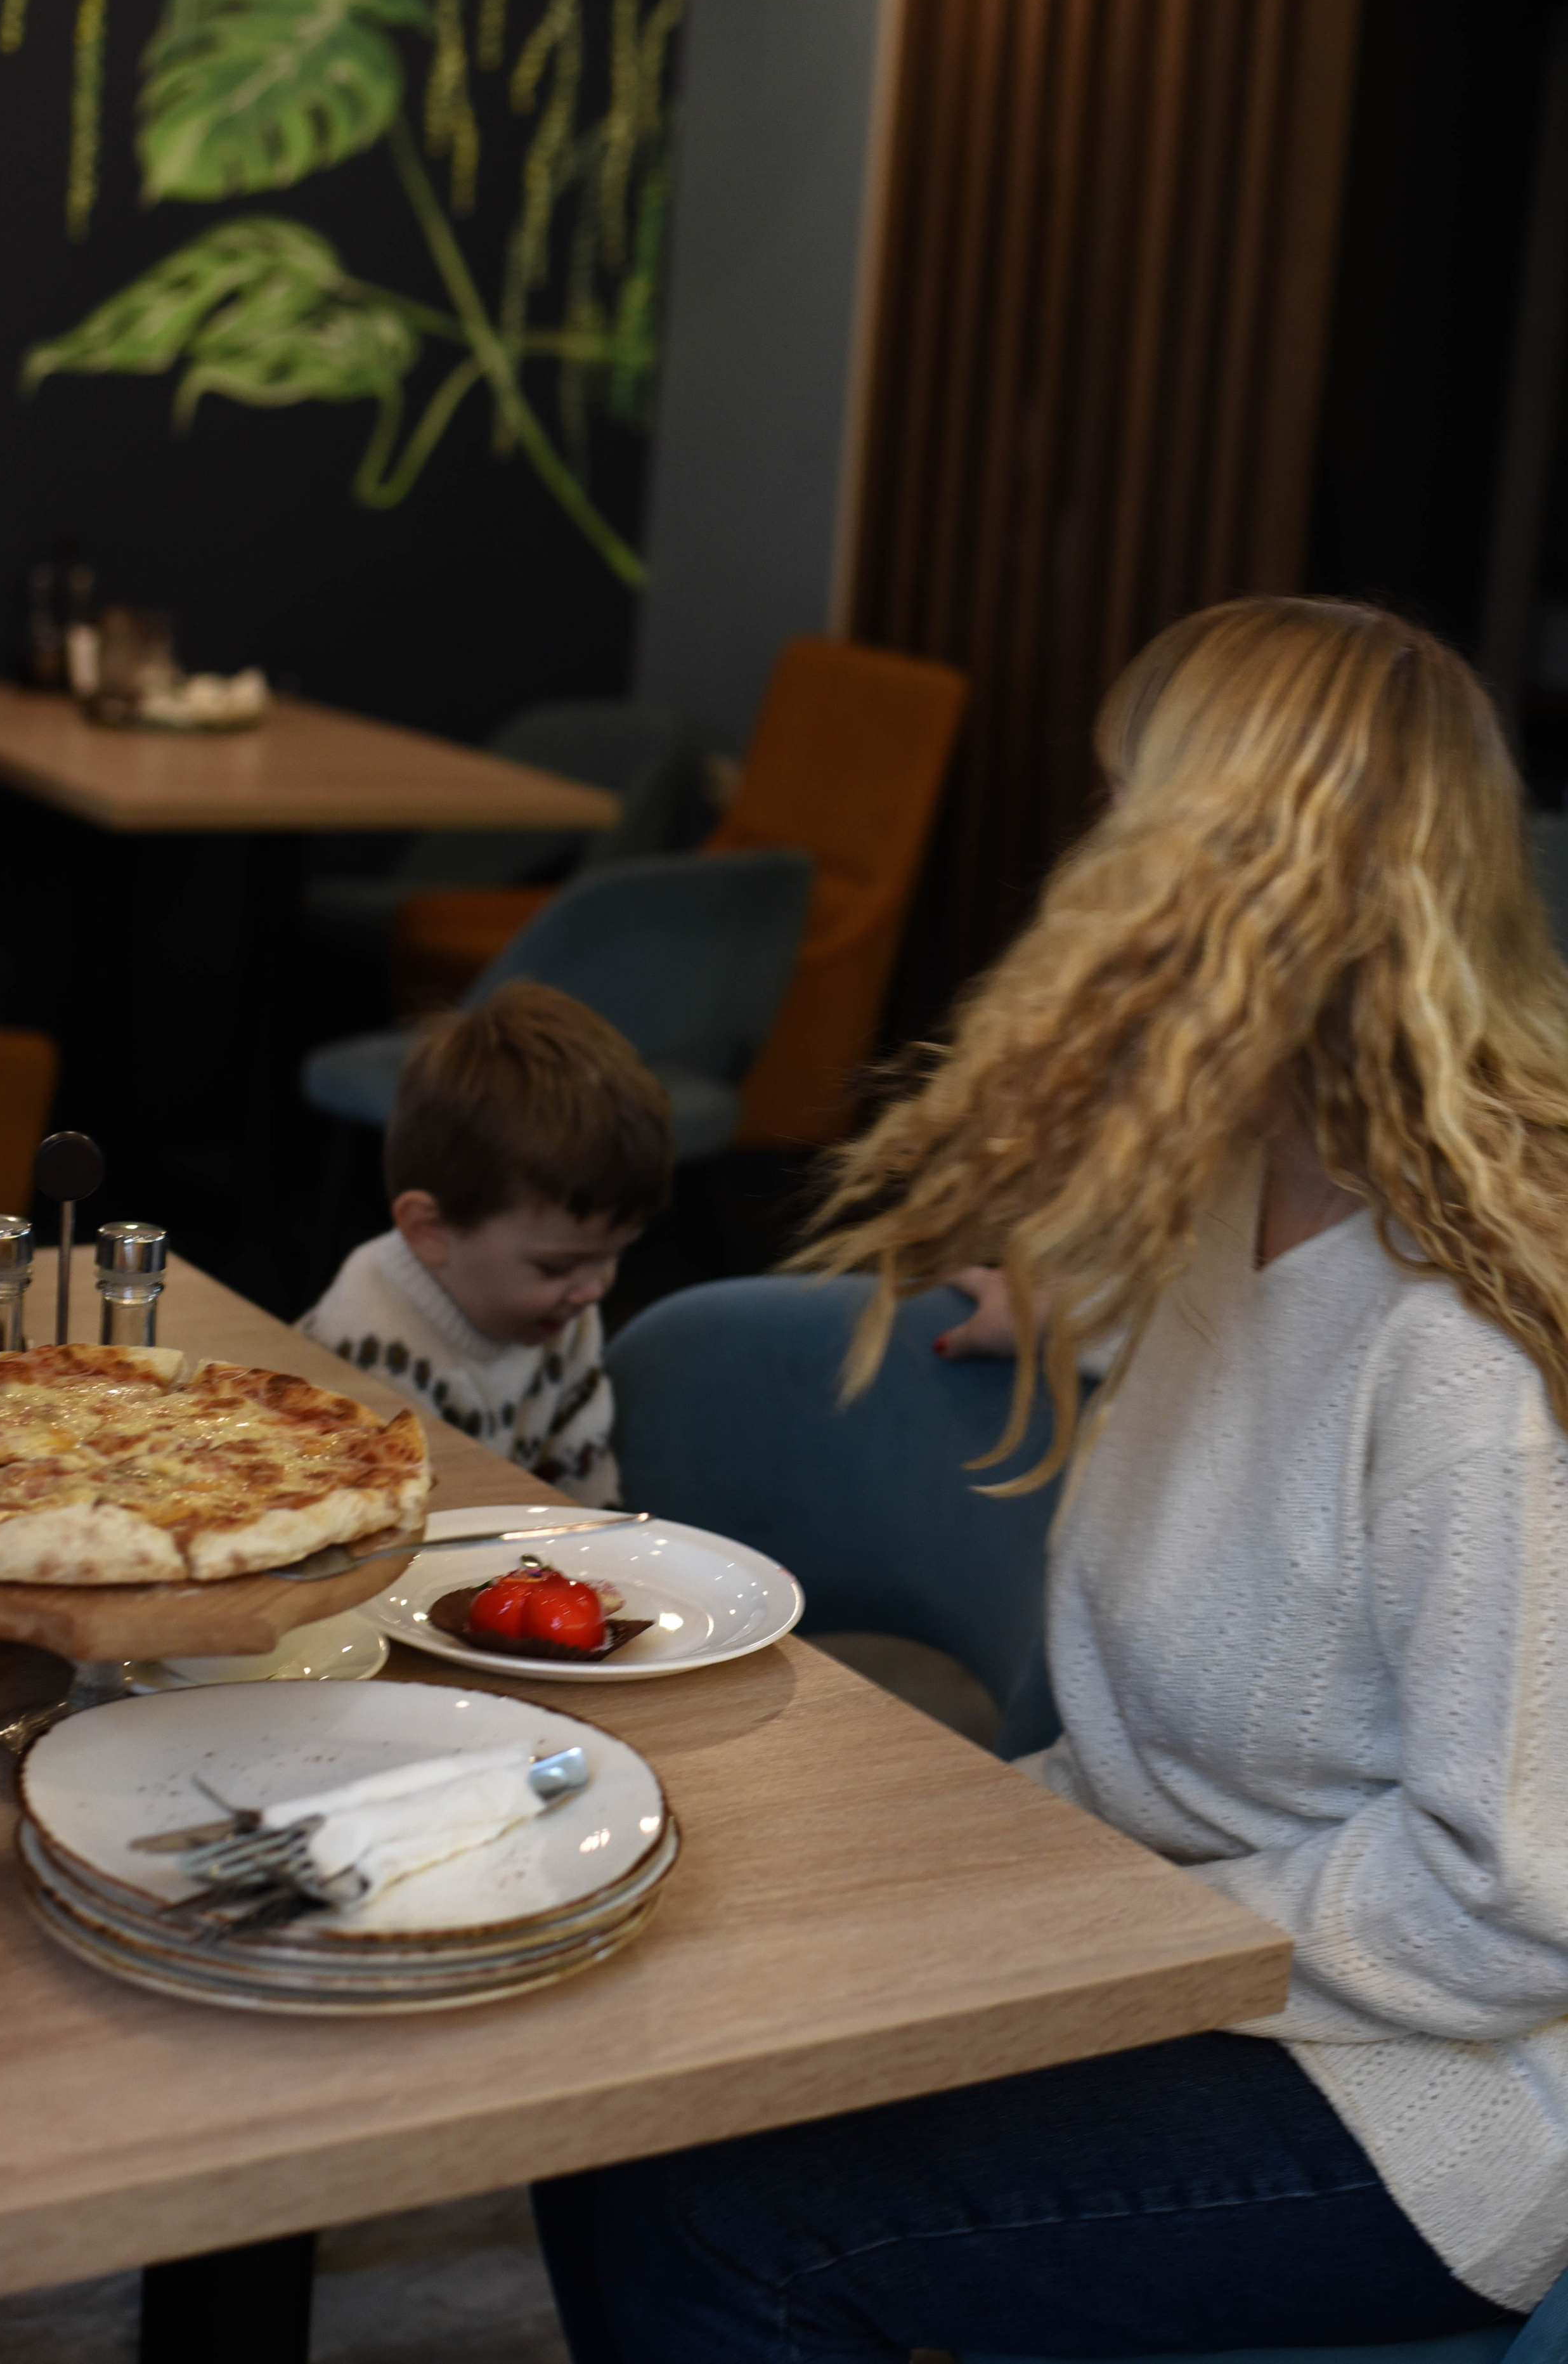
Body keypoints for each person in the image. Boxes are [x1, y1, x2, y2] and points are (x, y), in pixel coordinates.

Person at [532, 597, 1568, 2358]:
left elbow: (1516, 1900)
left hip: (1420, 2102)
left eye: (1121, 813)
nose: (1081, 863)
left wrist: (1104, 1927)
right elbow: (1270, 1377)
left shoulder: (1471, 1364)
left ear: (1243, 870)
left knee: (718, 2208)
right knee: (613, 2054)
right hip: (1163, 1937)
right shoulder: (1237, 1196)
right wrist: (1075, 1312)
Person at [299, 980, 671, 1503]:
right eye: (555, 1266)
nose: (594, 1288)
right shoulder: (370, 1343)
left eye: (614, 1255)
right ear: (430, 1231)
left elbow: (583, 1489)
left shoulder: (564, 1308)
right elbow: (403, 1536)